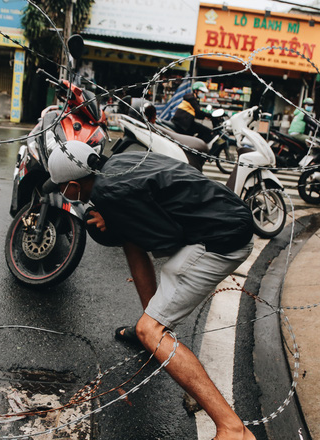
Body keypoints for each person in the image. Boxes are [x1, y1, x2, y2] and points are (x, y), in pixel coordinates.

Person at [48, 140, 257, 440]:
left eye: (61, 189)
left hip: (222, 239)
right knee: (132, 251)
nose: (63, 194)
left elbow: (168, 239)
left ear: (72, 185)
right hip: (224, 219)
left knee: (151, 331)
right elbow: (138, 240)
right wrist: (121, 224)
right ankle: (154, 322)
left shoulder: (109, 192)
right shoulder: (118, 164)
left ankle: (232, 428)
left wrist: (116, 220)